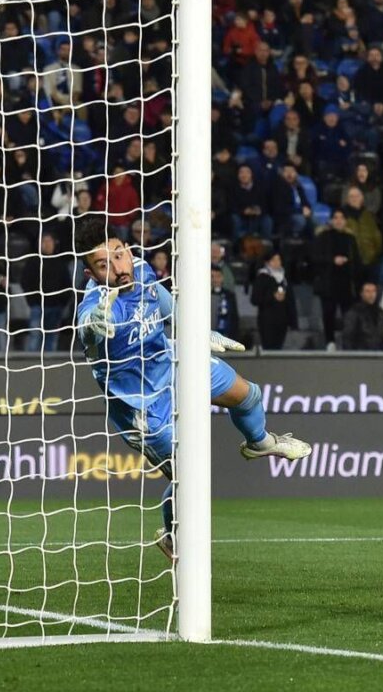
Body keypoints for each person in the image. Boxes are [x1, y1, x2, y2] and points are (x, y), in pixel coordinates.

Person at [74, 218, 310, 562]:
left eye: (120, 255)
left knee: (248, 395)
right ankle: (172, 535)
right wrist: (94, 325)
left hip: (172, 363)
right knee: (189, 476)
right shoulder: (96, 308)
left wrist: (197, 332)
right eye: (103, 265)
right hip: (142, 406)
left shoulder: (141, 270)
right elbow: (88, 329)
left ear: (127, 249)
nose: (119, 268)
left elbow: (164, 303)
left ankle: (259, 443)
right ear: (91, 274)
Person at [311, 209, 362, 350]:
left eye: (341, 218)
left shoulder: (350, 238)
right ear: (331, 220)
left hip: (346, 283)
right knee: (328, 313)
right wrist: (332, 260)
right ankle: (330, 342)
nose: (339, 220)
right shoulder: (323, 237)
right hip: (328, 283)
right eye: (336, 217)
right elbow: (315, 258)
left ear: (345, 221)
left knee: (348, 316)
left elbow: (357, 260)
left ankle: (348, 343)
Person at [251, 251, 297, 350]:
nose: (277, 262)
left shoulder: (284, 279)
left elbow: (291, 300)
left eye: (278, 259)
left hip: (282, 320)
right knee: (269, 347)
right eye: (273, 260)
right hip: (267, 320)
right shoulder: (262, 277)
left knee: (278, 347)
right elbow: (255, 299)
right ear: (267, 262)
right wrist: (273, 297)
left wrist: (293, 322)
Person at [342, 282, 383, 351]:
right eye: (367, 291)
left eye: (374, 291)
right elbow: (348, 337)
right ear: (361, 294)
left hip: (378, 354)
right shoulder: (354, 312)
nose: (371, 294)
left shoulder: (381, 313)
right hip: (360, 354)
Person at [210, 265, 240, 342]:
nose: (215, 280)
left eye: (218, 276)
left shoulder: (229, 295)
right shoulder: (204, 296)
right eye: (212, 277)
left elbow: (234, 318)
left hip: (225, 336)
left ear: (222, 278)